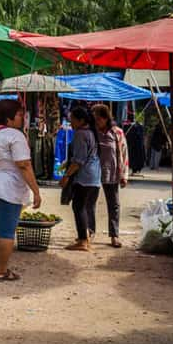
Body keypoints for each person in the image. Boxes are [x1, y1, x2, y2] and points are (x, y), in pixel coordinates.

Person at [0, 100, 41, 281]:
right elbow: (24, 164)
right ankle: (2, 270)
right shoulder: (15, 135)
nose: (22, 118)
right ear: (9, 117)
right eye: (19, 114)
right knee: (7, 231)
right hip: (8, 187)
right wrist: (36, 191)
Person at [60, 107, 101, 252]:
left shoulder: (81, 134)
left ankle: (83, 240)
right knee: (84, 207)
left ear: (81, 120)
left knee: (79, 207)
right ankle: (85, 236)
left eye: (73, 120)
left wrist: (66, 176)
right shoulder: (91, 132)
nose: (70, 122)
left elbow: (78, 161)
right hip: (94, 176)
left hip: (84, 177)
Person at [92, 104, 129, 248]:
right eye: (95, 119)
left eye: (98, 119)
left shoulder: (117, 132)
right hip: (93, 173)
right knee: (90, 204)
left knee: (114, 205)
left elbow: (124, 154)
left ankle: (114, 236)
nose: (96, 122)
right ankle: (90, 232)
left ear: (106, 118)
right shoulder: (92, 131)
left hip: (112, 173)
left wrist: (124, 175)